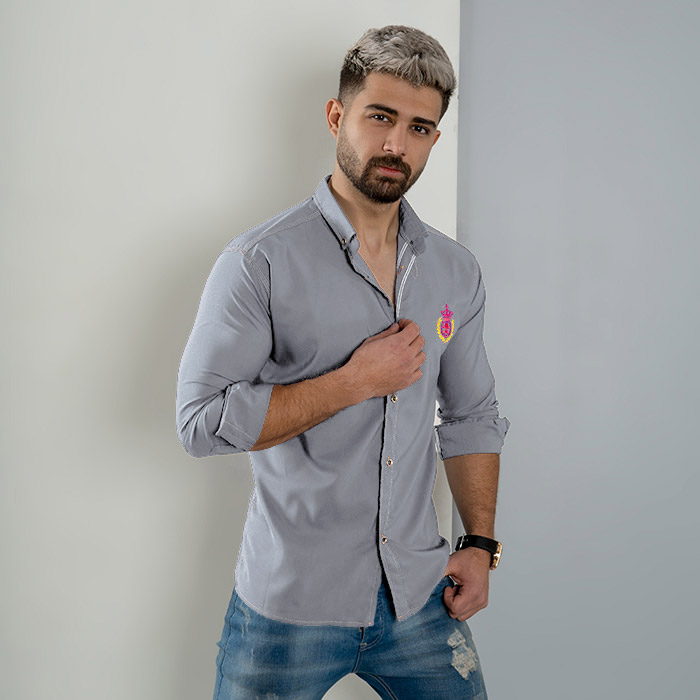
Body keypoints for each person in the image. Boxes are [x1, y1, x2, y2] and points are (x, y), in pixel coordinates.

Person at [176, 24, 511, 700]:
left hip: (420, 599)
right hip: (288, 608)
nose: (396, 145)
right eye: (380, 117)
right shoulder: (259, 262)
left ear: (434, 139)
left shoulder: (454, 271)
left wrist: (479, 544)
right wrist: (353, 382)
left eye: (419, 128)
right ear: (337, 116)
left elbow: (472, 415)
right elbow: (200, 423)